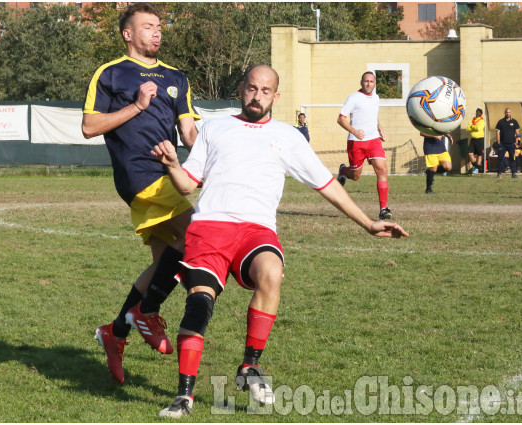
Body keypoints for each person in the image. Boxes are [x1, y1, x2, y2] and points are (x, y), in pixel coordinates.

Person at [151, 65, 409, 418]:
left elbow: (327, 184)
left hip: (256, 230)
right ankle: (184, 394)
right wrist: (170, 163)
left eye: (265, 91)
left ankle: (249, 368)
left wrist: (367, 223)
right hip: (210, 226)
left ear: (276, 96)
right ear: (242, 89)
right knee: (200, 305)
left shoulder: (288, 136)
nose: (257, 96)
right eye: (252, 89)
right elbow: (187, 183)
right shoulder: (214, 128)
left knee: (271, 272)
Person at [81, 2, 200, 384]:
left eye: (159, 26)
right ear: (127, 34)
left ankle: (115, 332)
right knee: (197, 238)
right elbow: (89, 127)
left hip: (167, 171)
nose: (157, 32)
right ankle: (147, 313)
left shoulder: (177, 78)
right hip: (138, 173)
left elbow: (190, 135)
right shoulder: (110, 74)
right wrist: (136, 105)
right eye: (147, 26)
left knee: (166, 262)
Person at [336, 71, 392, 220]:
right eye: (366, 81)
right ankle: (343, 170)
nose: (368, 84)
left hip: (374, 140)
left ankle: (383, 209)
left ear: (375, 84)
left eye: (371, 81)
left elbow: (374, 116)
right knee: (355, 176)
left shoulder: (376, 98)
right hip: (356, 142)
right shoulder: (354, 98)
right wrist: (354, 131)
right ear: (361, 82)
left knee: (382, 170)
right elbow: (341, 119)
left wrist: (380, 129)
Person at [494, 108, 521, 178]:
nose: (507, 113)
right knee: (500, 158)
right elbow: (498, 133)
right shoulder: (500, 122)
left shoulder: (514, 122)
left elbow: (517, 133)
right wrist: (498, 142)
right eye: (506, 112)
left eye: (509, 112)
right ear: (504, 113)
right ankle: (499, 173)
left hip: (511, 144)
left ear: (510, 113)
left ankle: (513, 173)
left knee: (512, 158)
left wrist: (516, 142)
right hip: (502, 144)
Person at [466, 108, 484, 174]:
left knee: (479, 154)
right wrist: (474, 127)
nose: (478, 113)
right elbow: (467, 128)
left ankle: (477, 169)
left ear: (481, 114)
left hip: (480, 139)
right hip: (473, 139)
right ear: (476, 112)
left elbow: (478, 128)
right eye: (477, 112)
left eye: (479, 112)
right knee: (470, 153)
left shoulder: (482, 120)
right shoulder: (472, 120)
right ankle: (476, 166)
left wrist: (472, 127)